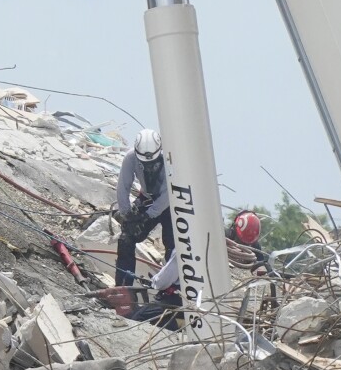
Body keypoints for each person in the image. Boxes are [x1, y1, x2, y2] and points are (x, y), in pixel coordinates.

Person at [133, 209, 266, 330]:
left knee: (138, 318)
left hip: (177, 302)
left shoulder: (189, 244)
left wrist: (153, 283)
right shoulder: (224, 256)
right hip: (207, 311)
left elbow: (162, 281)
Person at [113, 129, 176, 288]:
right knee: (126, 239)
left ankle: (170, 289)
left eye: (152, 163)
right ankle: (124, 287)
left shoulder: (169, 161)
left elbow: (167, 195)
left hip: (169, 204)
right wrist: (127, 214)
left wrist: (148, 216)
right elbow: (123, 188)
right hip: (147, 199)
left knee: (173, 245)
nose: (149, 167)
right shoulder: (130, 158)